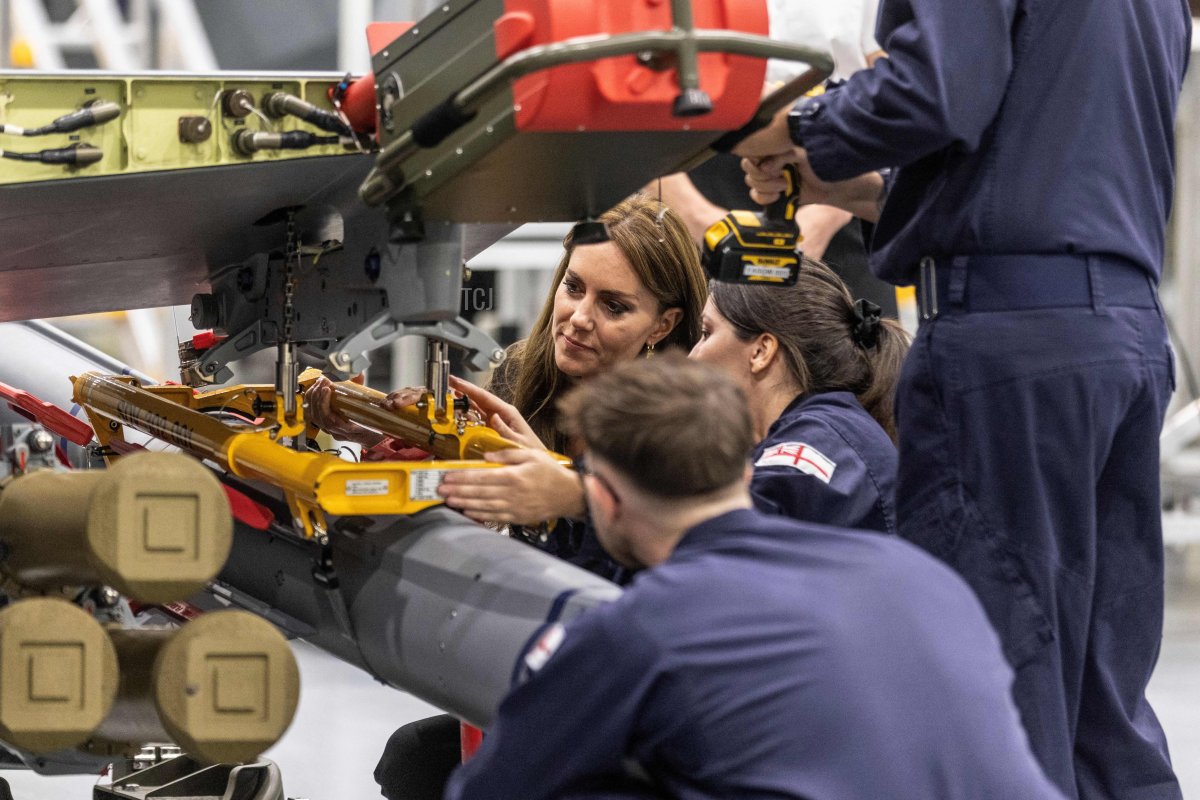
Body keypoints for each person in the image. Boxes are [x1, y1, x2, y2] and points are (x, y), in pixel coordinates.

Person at [735, 2, 1192, 797]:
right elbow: (1023, 150)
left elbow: (938, 91)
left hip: (1010, 347)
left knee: (1003, 677)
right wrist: (865, 185)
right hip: (1116, 335)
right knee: (1102, 703)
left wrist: (797, 125)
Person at [445, 354, 1064, 800]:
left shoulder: (644, 628)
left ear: (601, 501)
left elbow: (491, 788)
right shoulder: (914, 572)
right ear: (744, 472)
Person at [306, 194, 708, 800]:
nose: (578, 317)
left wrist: (558, 485)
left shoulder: (684, 425)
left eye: (614, 306)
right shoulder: (524, 373)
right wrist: (389, 438)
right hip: (534, 649)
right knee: (411, 761)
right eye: (574, 287)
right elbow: (476, 501)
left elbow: (671, 578)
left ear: (663, 325)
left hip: (629, 681)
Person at [690, 258, 907, 532]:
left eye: (706, 333)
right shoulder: (828, 431)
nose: (692, 356)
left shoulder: (798, 463)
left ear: (761, 351)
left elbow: (719, 544)